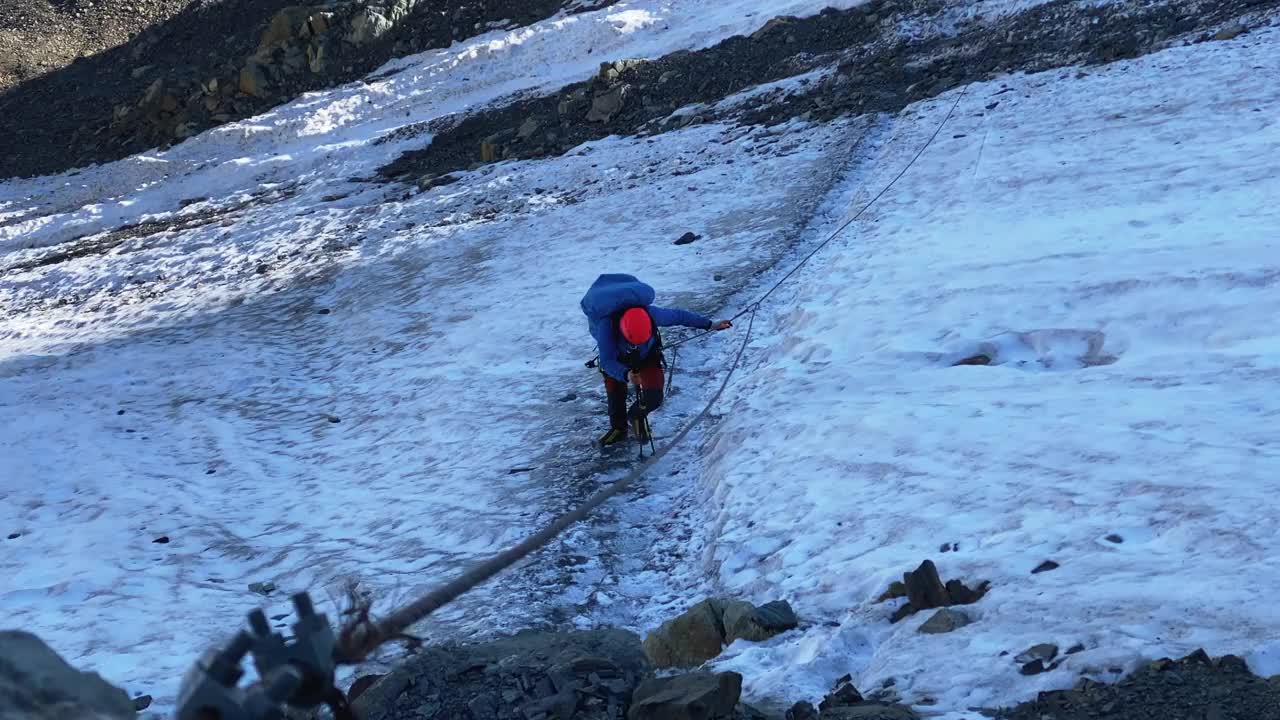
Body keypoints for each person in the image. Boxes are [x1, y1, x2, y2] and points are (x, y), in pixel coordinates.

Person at [580, 274, 732, 446]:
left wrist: (711, 324)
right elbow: (607, 361)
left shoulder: (651, 314)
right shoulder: (606, 326)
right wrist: (626, 374)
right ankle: (619, 428)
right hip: (618, 359)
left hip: (648, 355)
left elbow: (680, 316)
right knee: (615, 390)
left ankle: (636, 414)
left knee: (654, 397)